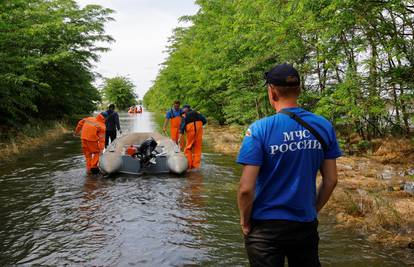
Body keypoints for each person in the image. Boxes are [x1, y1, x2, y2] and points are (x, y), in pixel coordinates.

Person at [237, 63, 341, 267]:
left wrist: (245, 221)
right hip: (304, 225)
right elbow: (331, 180)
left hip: (265, 229)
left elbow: (245, 189)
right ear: (299, 90)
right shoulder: (323, 125)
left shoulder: (259, 129)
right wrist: (313, 210)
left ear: (272, 91)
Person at [179, 104, 207, 170]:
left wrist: (180, 135)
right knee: (197, 148)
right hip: (199, 128)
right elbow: (205, 121)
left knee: (188, 148)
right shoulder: (196, 112)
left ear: (185, 109)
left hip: (190, 128)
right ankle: (196, 166)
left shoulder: (184, 115)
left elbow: (183, 125)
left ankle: (189, 166)